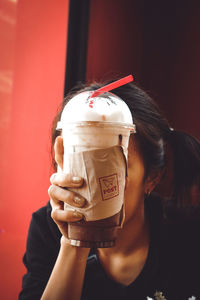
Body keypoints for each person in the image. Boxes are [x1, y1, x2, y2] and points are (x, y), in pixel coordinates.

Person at [19, 81, 200, 300]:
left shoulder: (188, 234)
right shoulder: (46, 228)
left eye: (110, 168)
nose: (93, 184)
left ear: (151, 177)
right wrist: (74, 243)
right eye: (82, 163)